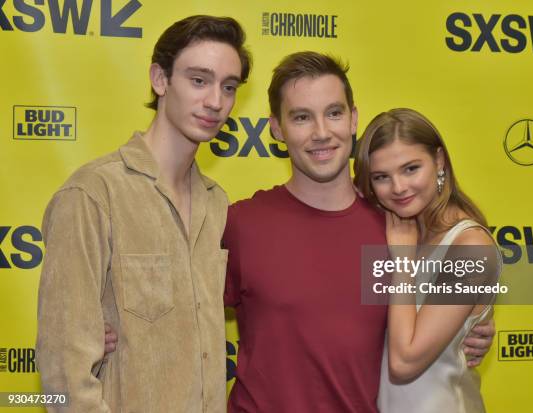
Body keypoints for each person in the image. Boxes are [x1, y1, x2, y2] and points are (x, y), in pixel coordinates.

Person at [223, 52, 495, 412]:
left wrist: (472, 326)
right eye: (302, 117)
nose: (321, 133)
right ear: (276, 129)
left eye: (333, 113)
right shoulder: (241, 223)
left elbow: (447, 300)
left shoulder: (398, 223)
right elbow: (179, 314)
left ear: (353, 119)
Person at [36, 15, 251, 412]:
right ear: (160, 79)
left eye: (229, 87)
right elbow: (64, 373)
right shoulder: (93, 194)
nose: (216, 102)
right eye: (199, 80)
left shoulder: (217, 203)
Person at [353, 108, 499, 412]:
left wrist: (403, 261)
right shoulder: (395, 230)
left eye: (410, 168)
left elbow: (405, 362)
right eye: (381, 176)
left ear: (439, 160)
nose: (398, 187)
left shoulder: (470, 245)